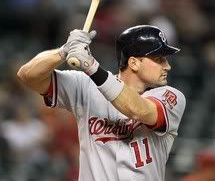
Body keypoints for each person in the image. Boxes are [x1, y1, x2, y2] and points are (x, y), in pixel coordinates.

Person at [17, 25, 186, 181]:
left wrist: (92, 67)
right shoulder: (84, 86)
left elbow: (138, 109)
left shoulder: (171, 96)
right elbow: (28, 76)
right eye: (159, 59)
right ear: (134, 62)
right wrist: (63, 51)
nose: (167, 66)